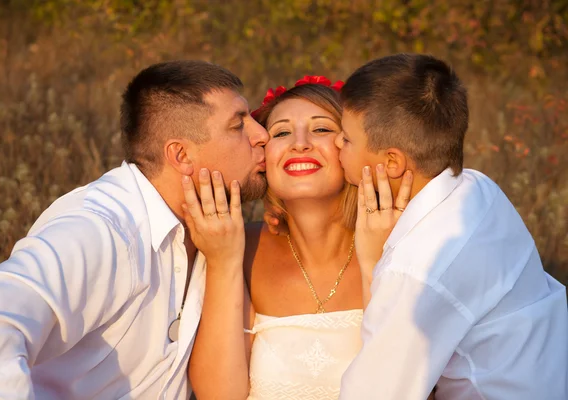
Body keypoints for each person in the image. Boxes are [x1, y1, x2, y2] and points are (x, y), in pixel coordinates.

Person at [0, 60, 269, 400]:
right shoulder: (100, 228)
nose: (262, 135)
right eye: (238, 125)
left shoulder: (214, 228)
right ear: (181, 155)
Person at [335, 53, 568, 399]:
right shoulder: (477, 187)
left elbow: (376, 391)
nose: (337, 143)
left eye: (346, 138)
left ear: (392, 162)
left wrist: (375, 260)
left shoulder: (418, 269)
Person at [182, 77, 413, 400]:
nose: (300, 143)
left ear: (352, 148)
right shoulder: (236, 247)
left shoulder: (400, 240)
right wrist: (224, 263)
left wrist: (376, 264)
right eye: (281, 132)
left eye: (321, 129)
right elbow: (219, 396)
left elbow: (406, 388)